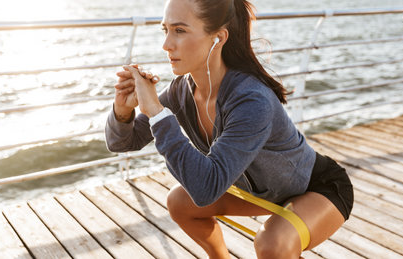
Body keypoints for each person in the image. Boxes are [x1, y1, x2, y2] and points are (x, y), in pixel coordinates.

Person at [105, 0, 354, 258]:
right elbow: (122, 143)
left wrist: (157, 112)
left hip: (317, 187)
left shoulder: (251, 98)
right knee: (179, 202)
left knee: (272, 243)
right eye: (164, 29)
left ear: (218, 38)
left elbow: (206, 188)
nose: (166, 44)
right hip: (262, 193)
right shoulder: (181, 91)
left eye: (179, 30)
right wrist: (123, 111)